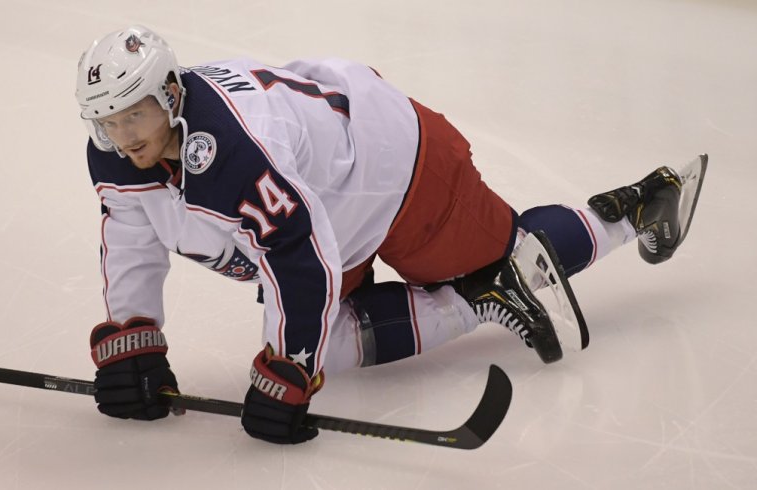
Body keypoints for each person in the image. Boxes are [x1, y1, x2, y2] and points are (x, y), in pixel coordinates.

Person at [77, 26, 706, 445]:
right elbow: (131, 235)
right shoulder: (117, 153)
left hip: (394, 165)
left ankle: (638, 210)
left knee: (508, 254)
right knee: (340, 345)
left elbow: (298, 257)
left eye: (136, 113)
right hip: (324, 194)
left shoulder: (236, 150)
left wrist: (290, 367)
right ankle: (476, 299)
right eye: (109, 121)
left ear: (170, 94)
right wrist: (134, 340)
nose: (124, 135)